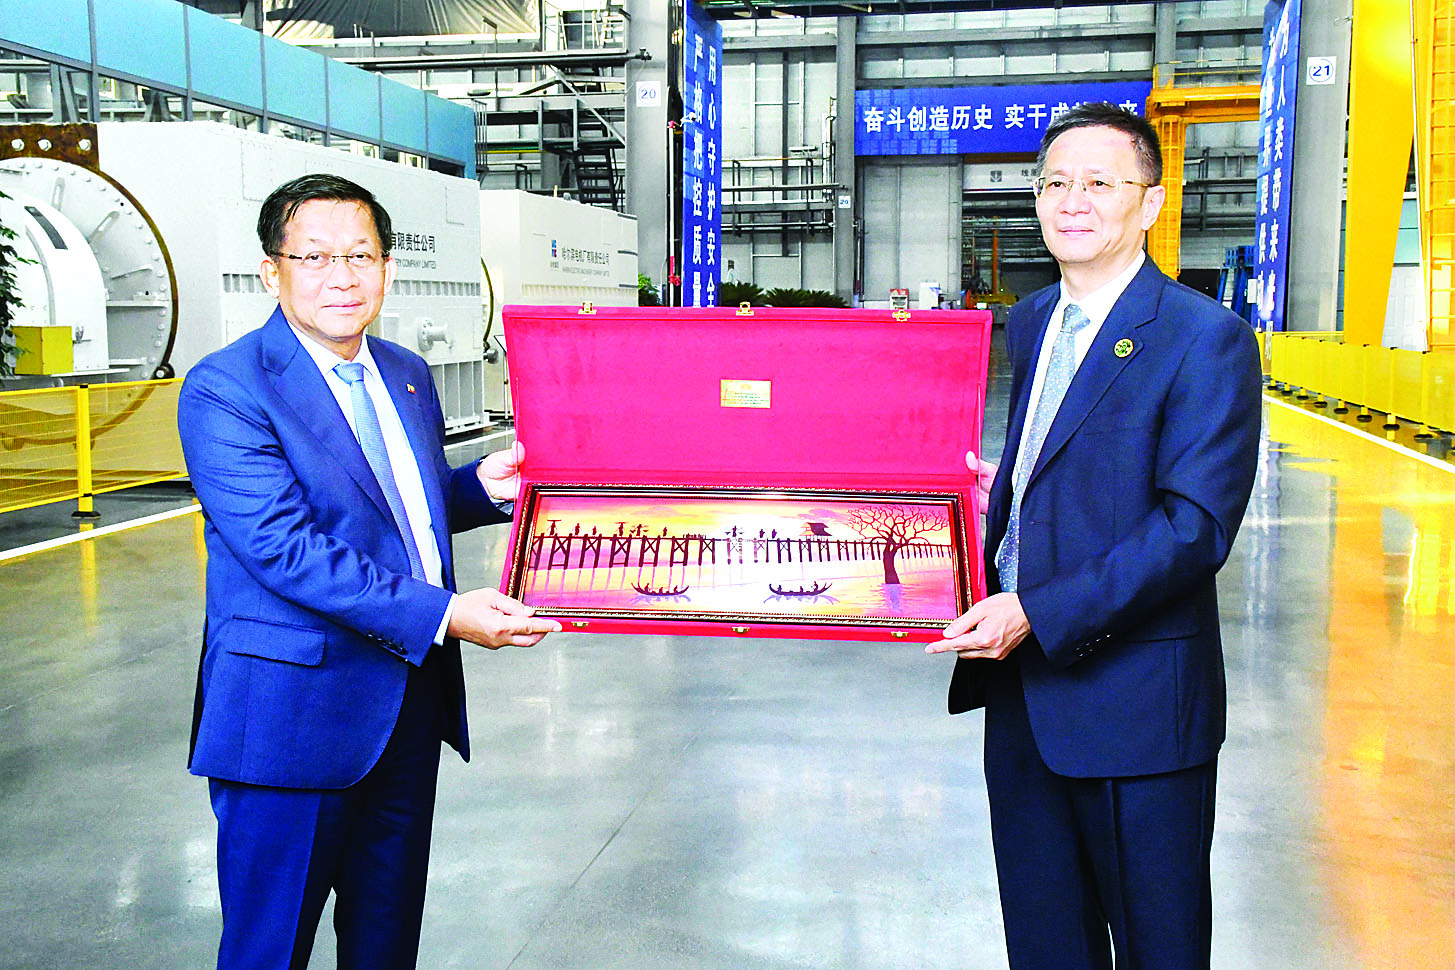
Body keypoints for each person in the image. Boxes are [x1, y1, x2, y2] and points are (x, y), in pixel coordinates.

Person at [177, 173, 561, 970]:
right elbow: (285, 547)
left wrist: (479, 490)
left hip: (406, 706)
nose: (341, 277)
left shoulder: (405, 373)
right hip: (289, 717)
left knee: (385, 942)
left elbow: (387, 507)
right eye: (314, 256)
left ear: (387, 268)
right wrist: (444, 614)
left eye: (360, 255)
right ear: (271, 271)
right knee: (268, 949)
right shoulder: (227, 388)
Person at [926, 103, 1262, 970]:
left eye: (1099, 183)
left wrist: (1034, 611)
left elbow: (1193, 529)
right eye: (1054, 183)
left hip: (1136, 704)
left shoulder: (1204, 338)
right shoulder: (1034, 318)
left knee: (1158, 946)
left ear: (1148, 203)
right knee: (1045, 941)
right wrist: (991, 506)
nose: (1071, 201)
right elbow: (1060, 466)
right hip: (1022, 697)